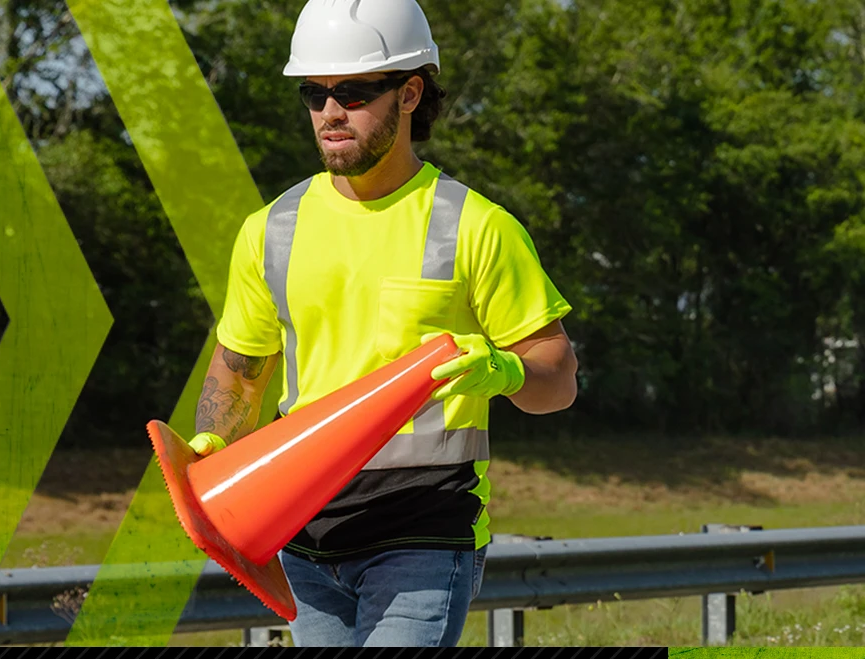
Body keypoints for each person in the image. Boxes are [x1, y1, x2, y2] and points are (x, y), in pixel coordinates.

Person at [187, 0, 579, 647]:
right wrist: (210, 446)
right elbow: (237, 374)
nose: (330, 112)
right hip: (305, 542)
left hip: (423, 533)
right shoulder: (269, 232)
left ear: (410, 93)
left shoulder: (476, 226)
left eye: (355, 91)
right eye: (314, 94)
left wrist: (506, 370)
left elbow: (558, 378)